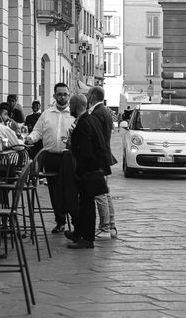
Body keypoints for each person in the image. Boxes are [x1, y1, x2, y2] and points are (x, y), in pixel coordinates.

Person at [25, 83, 75, 233]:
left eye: (65, 94)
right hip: (50, 157)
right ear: (54, 96)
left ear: (69, 95)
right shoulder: (46, 114)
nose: (62, 97)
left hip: (68, 157)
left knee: (70, 190)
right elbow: (37, 132)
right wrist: (29, 139)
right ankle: (60, 221)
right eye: (59, 94)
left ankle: (74, 221)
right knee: (54, 190)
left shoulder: (73, 113)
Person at [65, 94, 109, 249]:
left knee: (87, 204)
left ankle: (87, 238)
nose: (69, 107)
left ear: (77, 105)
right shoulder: (89, 119)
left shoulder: (84, 123)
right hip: (91, 169)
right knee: (83, 204)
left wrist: (80, 172)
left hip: (88, 171)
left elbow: (86, 151)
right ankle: (79, 233)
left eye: (71, 104)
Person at [87, 86, 117, 239]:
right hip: (104, 156)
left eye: (87, 95)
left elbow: (97, 137)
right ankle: (111, 226)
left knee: (100, 194)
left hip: (99, 158)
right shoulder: (104, 111)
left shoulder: (97, 113)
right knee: (105, 192)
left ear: (92, 96)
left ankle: (105, 228)